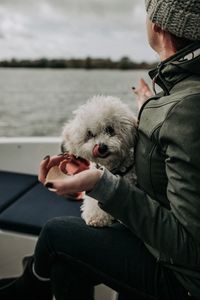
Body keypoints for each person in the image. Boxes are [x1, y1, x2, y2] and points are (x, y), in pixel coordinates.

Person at [0, 0, 200, 299]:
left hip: (183, 281)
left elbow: (189, 245)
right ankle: (33, 281)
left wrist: (100, 184)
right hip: (160, 245)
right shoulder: (180, 90)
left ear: (157, 24)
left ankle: (25, 290)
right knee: (67, 262)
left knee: (56, 234)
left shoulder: (186, 105)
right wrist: (149, 106)